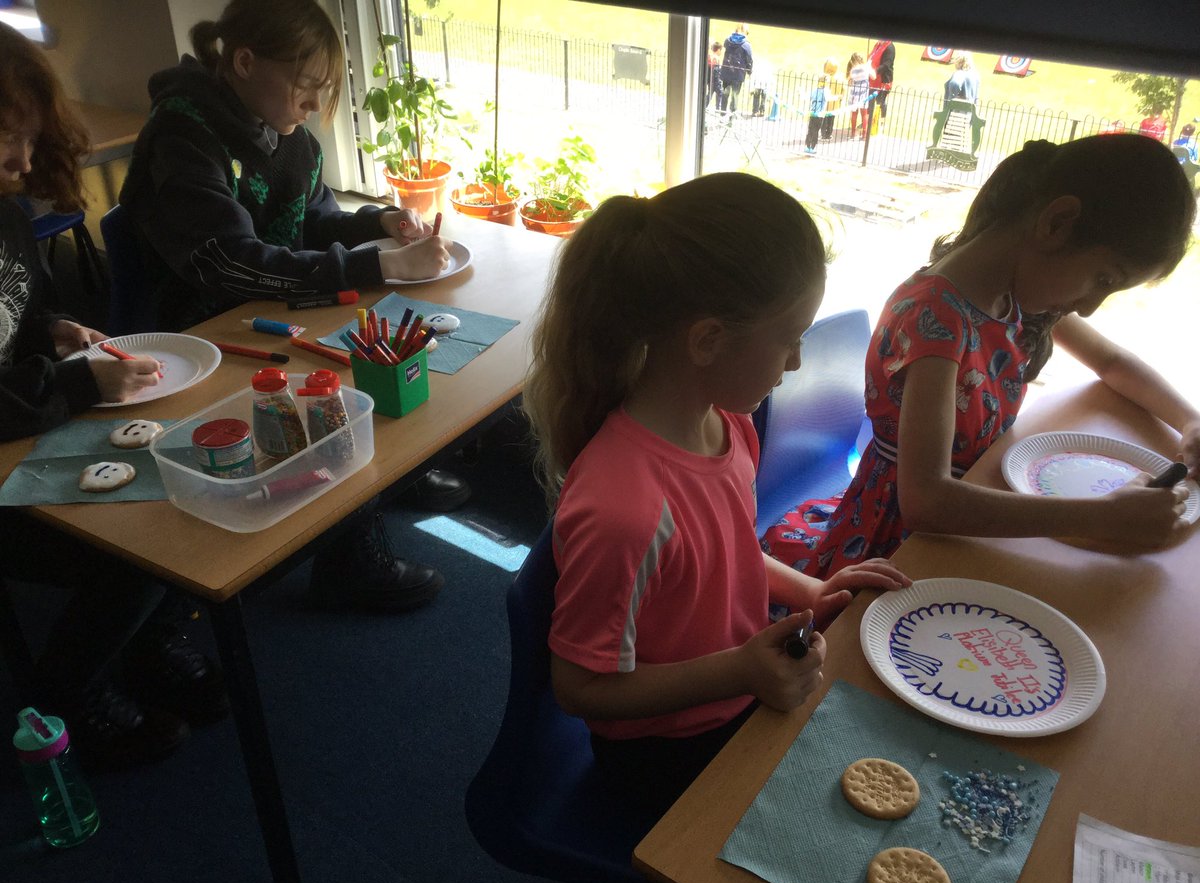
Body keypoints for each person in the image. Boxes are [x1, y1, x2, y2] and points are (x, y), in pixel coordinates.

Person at [523, 172, 911, 834]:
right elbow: (580, 688)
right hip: (663, 751)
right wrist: (740, 672)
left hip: (736, 692)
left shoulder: (727, 426)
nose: (796, 362)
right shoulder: (625, 513)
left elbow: (729, 556)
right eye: (789, 338)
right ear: (706, 341)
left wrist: (812, 591)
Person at [119, 0, 465, 611]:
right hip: (205, 328)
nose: (313, 105)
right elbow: (229, 264)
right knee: (329, 388)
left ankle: (388, 477)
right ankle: (349, 558)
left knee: (377, 352)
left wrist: (378, 223)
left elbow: (314, 220)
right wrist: (380, 265)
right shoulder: (184, 136)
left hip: (275, 303)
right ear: (245, 63)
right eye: (305, 86)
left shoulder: (285, 134)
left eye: (322, 90)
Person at [764, 135, 1199, 584]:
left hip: (969, 514)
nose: (1089, 308)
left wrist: (1190, 421)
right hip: (898, 547)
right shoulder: (936, 320)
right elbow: (926, 501)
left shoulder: (1014, 298)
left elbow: (1111, 363)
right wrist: (1101, 517)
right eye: (1103, 279)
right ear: (1057, 224)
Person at [0, 22, 228, 769]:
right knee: (135, 546)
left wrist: (53, 329)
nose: (22, 163)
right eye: (6, 140)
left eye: (29, 140)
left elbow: (17, 314)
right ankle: (67, 692)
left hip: (28, 423)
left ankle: (148, 643)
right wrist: (75, 381)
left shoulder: (5, 214)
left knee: (181, 476)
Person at [717, 24, 753, 114]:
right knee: (735, 96)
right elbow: (749, 60)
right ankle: (732, 115)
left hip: (726, 72)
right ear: (745, 32)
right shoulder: (746, 45)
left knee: (725, 94)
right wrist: (749, 71)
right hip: (738, 74)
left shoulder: (727, 41)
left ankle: (722, 114)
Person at [867, 39, 895, 125]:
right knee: (870, 100)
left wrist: (875, 71)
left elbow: (886, 65)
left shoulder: (890, 47)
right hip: (872, 79)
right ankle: (868, 121)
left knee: (880, 101)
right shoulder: (878, 44)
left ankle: (881, 121)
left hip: (884, 79)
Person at [846, 52, 872, 139]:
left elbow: (849, 79)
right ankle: (864, 134)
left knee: (854, 114)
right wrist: (869, 66)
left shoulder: (853, 70)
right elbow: (874, 76)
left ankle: (853, 133)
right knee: (864, 114)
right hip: (863, 95)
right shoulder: (866, 68)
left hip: (854, 95)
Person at [819, 57, 843, 141]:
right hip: (834, 103)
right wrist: (840, 98)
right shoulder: (839, 79)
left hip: (825, 103)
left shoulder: (823, 78)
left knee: (824, 119)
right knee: (831, 119)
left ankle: (823, 134)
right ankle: (828, 134)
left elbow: (820, 88)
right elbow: (843, 90)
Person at [804, 75, 828, 154]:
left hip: (813, 113)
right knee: (815, 131)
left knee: (810, 129)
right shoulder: (825, 91)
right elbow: (828, 98)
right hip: (819, 114)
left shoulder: (814, 90)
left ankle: (807, 146)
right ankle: (812, 147)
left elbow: (809, 97)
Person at [705, 41, 723, 109]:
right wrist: (718, 79)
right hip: (715, 80)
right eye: (720, 50)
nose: (721, 52)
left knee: (710, 94)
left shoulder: (711, 56)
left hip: (711, 79)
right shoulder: (716, 58)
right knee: (719, 93)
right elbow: (716, 70)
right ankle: (718, 108)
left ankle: (705, 106)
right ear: (718, 50)